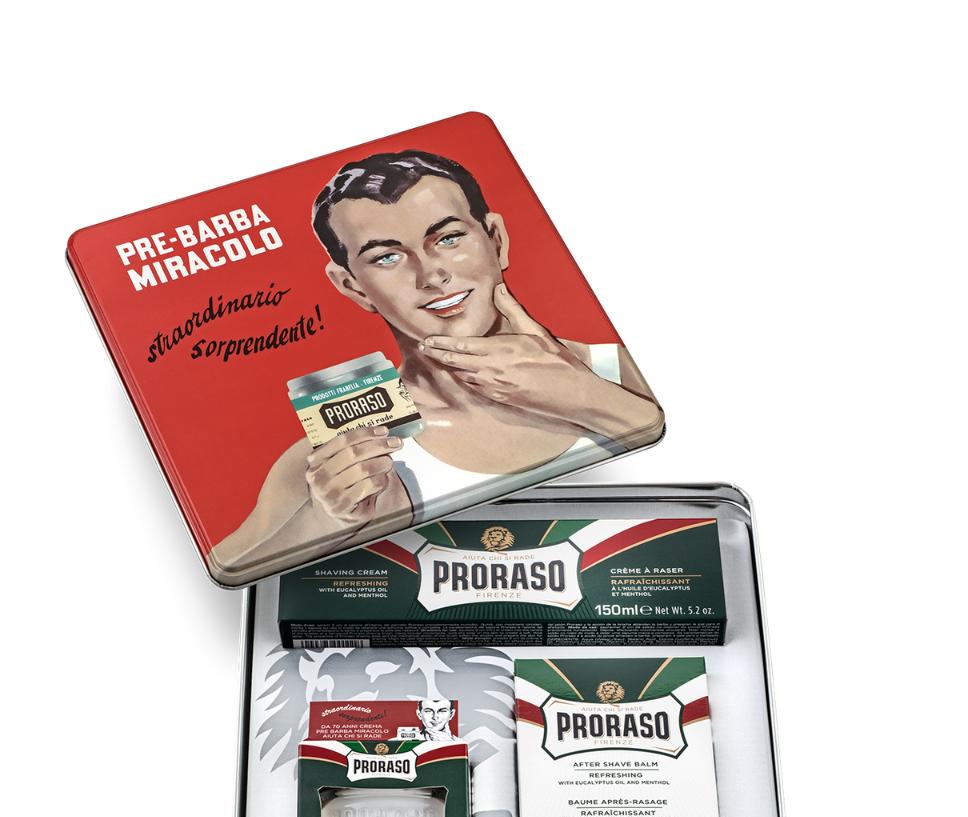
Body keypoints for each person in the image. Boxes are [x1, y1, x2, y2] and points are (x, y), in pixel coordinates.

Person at [209, 151, 664, 583]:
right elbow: (227, 570)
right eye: (386, 257)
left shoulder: (627, 371)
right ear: (353, 287)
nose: (430, 276)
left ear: (496, 239)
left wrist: (585, 396)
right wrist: (326, 521)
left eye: (448, 238)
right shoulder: (335, 457)